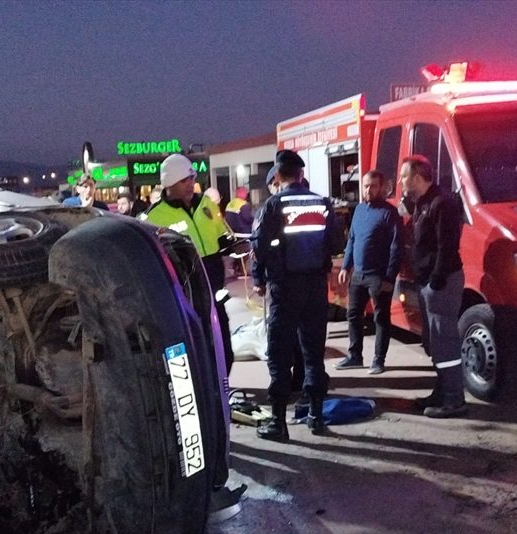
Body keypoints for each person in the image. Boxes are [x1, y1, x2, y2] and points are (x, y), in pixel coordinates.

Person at [250, 150, 343, 439]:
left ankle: (278, 422)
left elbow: (259, 247)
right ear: (301, 175)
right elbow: (337, 242)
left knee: (279, 354)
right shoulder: (322, 203)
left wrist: (258, 279)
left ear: (278, 176)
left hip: (284, 288)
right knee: (313, 354)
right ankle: (316, 417)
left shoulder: (273, 205)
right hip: (315, 287)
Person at [142, 153, 235, 370]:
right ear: (169, 184)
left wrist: (233, 247)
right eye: (183, 181)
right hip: (186, 296)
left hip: (213, 292)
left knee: (223, 352)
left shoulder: (207, 205)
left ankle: (221, 393)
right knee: (197, 355)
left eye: (191, 179)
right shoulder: (154, 217)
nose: (190, 184)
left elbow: (222, 237)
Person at [400, 154, 468, 418]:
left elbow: (446, 245)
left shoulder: (442, 204)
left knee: (445, 343)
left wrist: (437, 278)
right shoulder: (424, 203)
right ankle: (442, 391)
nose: (402, 181)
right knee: (434, 343)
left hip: (441, 282)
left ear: (417, 177)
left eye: (405, 176)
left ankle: (454, 399)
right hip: (428, 281)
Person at [335, 170, 401, 375]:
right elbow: (352, 240)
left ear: (381, 187)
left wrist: (390, 277)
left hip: (378, 277)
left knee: (381, 318)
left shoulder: (389, 213)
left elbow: (396, 247)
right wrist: (346, 266)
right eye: (365, 186)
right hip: (358, 275)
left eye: (372, 186)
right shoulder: (360, 210)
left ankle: (378, 360)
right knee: (353, 315)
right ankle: (355, 356)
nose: (368, 190)